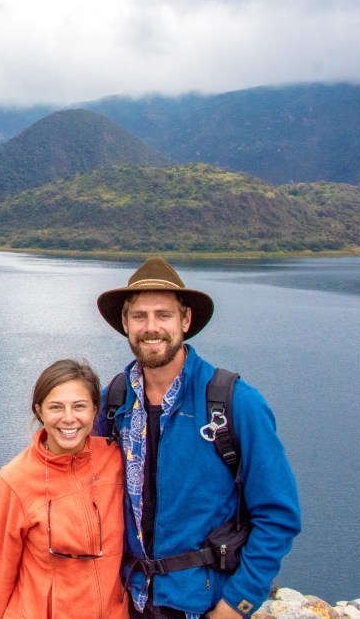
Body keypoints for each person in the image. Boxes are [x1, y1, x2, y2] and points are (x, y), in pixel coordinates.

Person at [92, 257, 301, 619]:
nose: (151, 327)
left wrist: (236, 606)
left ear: (185, 321)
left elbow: (278, 516)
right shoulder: (114, 401)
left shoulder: (234, 403)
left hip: (201, 606)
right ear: (125, 323)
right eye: (139, 316)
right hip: (129, 601)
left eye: (164, 315)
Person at [0, 359, 129, 619]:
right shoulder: (15, 480)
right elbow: (0, 579)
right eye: (56, 407)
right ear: (39, 411)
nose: (68, 418)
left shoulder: (116, 460)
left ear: (95, 410)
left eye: (79, 406)